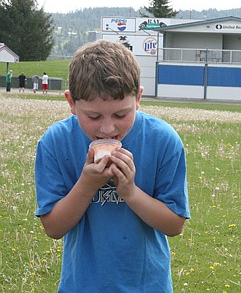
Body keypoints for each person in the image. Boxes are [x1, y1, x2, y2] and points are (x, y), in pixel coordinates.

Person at [35, 39, 190, 292]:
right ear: (71, 103)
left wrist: (130, 192)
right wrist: (87, 184)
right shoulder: (55, 142)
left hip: (147, 286)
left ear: (138, 98)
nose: (107, 128)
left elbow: (174, 225)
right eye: (93, 116)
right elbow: (53, 227)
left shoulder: (163, 140)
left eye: (121, 114)